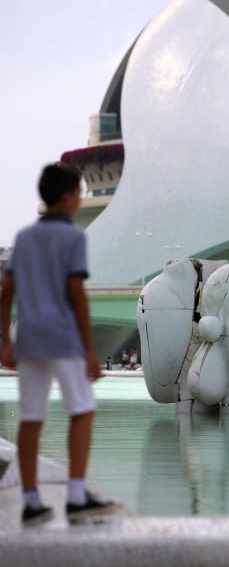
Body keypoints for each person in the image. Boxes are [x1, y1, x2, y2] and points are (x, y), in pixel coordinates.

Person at [0, 163, 121, 525]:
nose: (79, 200)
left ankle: (32, 501)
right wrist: (89, 346)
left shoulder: (24, 238)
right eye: (79, 193)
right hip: (63, 337)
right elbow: (75, 292)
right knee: (81, 411)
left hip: (30, 339)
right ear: (68, 197)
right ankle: (76, 496)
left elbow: (6, 293)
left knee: (32, 418)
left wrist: (5, 339)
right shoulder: (72, 238)